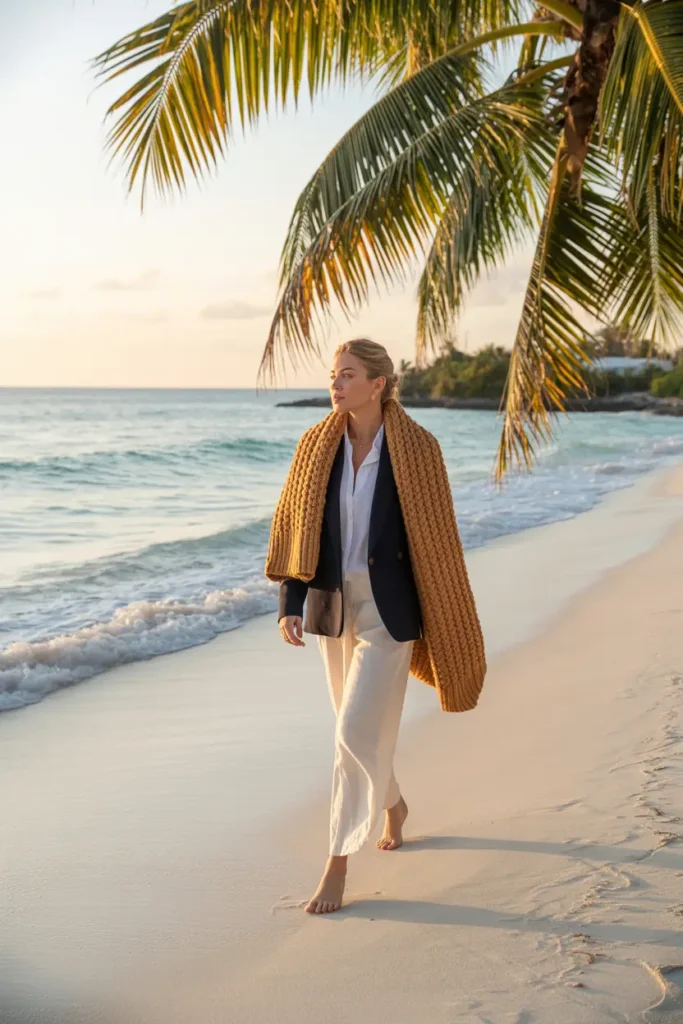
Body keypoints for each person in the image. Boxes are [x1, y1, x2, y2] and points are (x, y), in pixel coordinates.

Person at [264, 338, 486, 915]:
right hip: (335, 607)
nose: (336, 385)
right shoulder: (316, 446)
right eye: (333, 375)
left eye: (348, 375)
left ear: (379, 384)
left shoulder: (418, 449)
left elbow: (438, 546)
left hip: (391, 615)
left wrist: (444, 617)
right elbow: (295, 527)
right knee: (352, 725)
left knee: (353, 734)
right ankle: (394, 805)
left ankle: (336, 864)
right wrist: (291, 599)